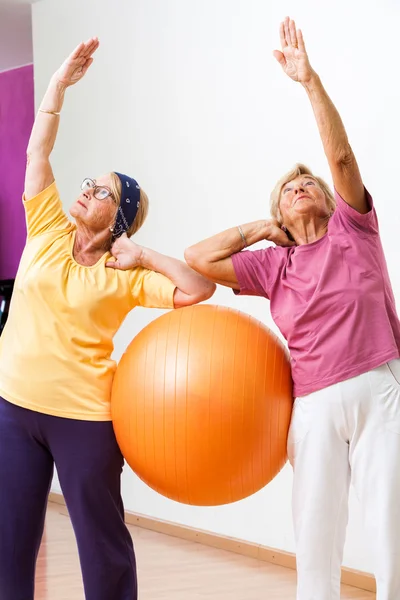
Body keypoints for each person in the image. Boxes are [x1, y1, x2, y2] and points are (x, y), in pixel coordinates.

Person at [185, 17, 400, 600]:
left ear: (330, 199)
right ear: (279, 210)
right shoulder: (272, 266)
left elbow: (342, 157)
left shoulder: (354, 229)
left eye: (309, 182)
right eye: (288, 186)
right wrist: (261, 228)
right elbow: (197, 257)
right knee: (317, 534)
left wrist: (309, 81)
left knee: (394, 530)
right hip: (314, 407)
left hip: (381, 390)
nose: (300, 185)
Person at [0, 38, 215, 600]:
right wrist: (57, 88)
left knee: (103, 549)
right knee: (9, 546)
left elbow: (198, 288)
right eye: (89, 182)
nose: (86, 189)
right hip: (12, 408)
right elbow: (37, 154)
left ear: (117, 219)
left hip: (83, 420)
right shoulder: (46, 227)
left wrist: (143, 255)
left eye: (101, 192)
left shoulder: (126, 273)